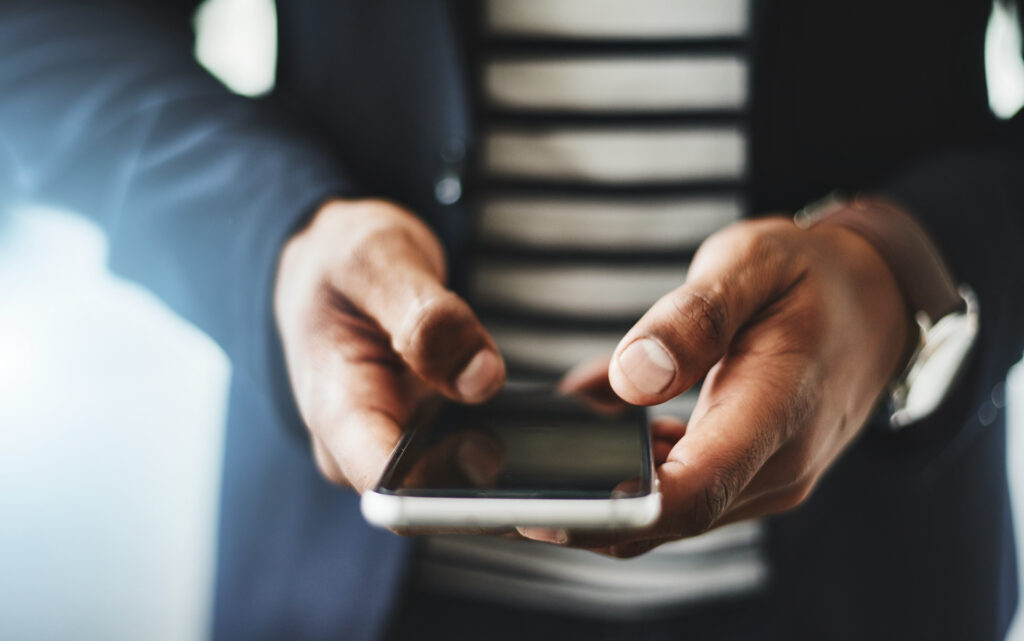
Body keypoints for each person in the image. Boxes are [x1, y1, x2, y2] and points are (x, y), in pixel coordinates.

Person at [1, 1, 1023, 639]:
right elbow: (44, 31)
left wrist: (910, 267)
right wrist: (277, 237)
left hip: (869, 577)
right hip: (358, 593)